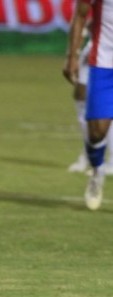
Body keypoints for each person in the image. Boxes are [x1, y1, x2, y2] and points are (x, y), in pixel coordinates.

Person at [63, 0, 113, 210]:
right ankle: (97, 172)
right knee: (97, 132)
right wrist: (71, 56)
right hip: (103, 62)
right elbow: (81, 14)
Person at [67, 20, 113, 174]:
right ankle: (87, 154)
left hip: (105, 50)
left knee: (107, 107)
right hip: (96, 46)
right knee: (80, 96)